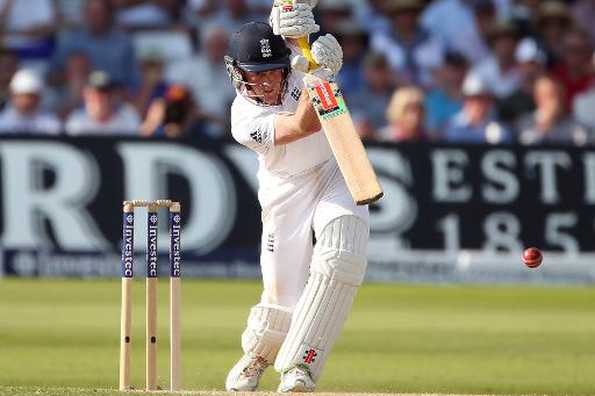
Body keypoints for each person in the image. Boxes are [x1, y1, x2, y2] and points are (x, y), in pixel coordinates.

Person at [223, 8, 369, 394]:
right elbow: (301, 125)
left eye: (273, 70)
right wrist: (322, 75)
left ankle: (301, 366)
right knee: (282, 292)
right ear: (238, 72)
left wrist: (315, 48)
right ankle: (257, 355)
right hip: (285, 190)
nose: (268, 81)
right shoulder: (243, 117)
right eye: (258, 73)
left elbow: (303, 37)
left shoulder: (296, 68)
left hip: (335, 169)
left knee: (341, 256)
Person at [64, 70, 140, 135]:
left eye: (104, 94)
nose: (98, 99)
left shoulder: (129, 119)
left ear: (113, 96)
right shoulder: (76, 121)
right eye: (93, 94)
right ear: (85, 95)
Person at [444, 72, 511, 144]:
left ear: (490, 102)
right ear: (465, 101)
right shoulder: (452, 127)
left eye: (482, 100)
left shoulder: (500, 131)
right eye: (472, 99)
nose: (477, 105)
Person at [0, 68, 61, 134]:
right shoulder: (2, 121)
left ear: (38, 98)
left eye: (30, 97)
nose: (25, 101)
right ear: (13, 97)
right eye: (21, 96)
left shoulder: (51, 123)